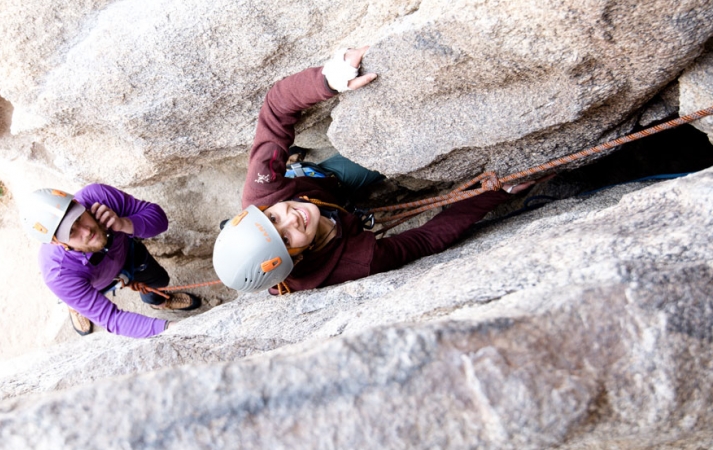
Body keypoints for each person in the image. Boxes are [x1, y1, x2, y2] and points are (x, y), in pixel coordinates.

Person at [212, 46, 539, 294]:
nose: (290, 217)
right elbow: (423, 240)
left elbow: (275, 108)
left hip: (325, 183)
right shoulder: (354, 263)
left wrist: (328, 79)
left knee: (390, 148)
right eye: (285, 237)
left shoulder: (262, 194)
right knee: (400, 154)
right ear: (296, 260)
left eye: (272, 218)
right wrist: (492, 193)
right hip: (339, 216)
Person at [22, 184, 201, 337]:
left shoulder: (98, 198)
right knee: (83, 302)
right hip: (93, 282)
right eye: (71, 232)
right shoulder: (59, 274)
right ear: (57, 242)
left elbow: (159, 220)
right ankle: (77, 307)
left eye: (79, 218)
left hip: (126, 253)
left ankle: (158, 302)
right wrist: (168, 329)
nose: (86, 231)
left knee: (160, 280)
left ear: (77, 203)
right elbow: (112, 319)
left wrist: (124, 224)